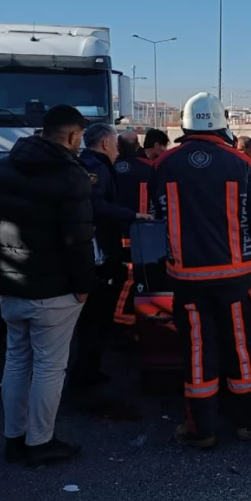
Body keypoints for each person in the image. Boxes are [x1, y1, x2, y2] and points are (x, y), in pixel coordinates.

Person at [151, 92, 251, 449]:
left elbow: (157, 216)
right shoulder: (240, 162)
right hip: (235, 277)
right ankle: (247, 422)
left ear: (185, 125)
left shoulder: (165, 163)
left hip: (187, 279)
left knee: (197, 350)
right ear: (222, 124)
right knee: (240, 347)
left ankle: (201, 429)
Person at [0, 105, 94, 467]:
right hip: (55, 290)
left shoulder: (3, 168)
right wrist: (83, 286)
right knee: (49, 367)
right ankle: (40, 441)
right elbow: (79, 240)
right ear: (73, 135)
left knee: (16, 361)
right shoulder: (70, 175)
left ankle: (14, 437)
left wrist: (2, 270)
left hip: (12, 286)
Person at [75, 124, 151, 388]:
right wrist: (131, 215)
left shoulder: (86, 163)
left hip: (92, 249)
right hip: (100, 251)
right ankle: (84, 376)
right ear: (106, 143)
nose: (118, 151)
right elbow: (94, 205)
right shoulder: (96, 168)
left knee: (91, 318)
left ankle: (87, 370)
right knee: (96, 316)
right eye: (115, 145)